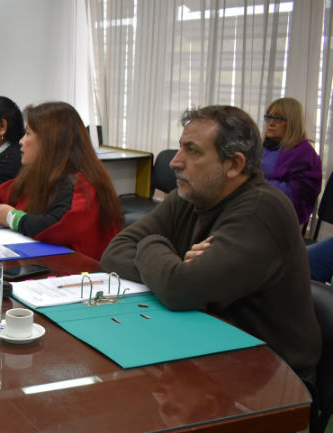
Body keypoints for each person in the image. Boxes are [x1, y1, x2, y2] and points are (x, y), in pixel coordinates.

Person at [101, 105, 320, 382]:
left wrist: (153, 246)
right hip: (207, 347)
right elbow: (114, 253)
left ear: (234, 165)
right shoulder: (191, 193)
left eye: (192, 151)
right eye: (180, 148)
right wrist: (175, 264)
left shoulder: (261, 209)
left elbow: (179, 288)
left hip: (270, 375)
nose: (175, 162)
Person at [0, 101, 123, 261]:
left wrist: (11, 217)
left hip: (77, 274)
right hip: (43, 264)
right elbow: (1, 191)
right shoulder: (37, 173)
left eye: (28, 134)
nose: (21, 141)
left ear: (50, 141)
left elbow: (56, 226)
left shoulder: (81, 183)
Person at [261, 97, 322, 225]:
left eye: (278, 118)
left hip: (283, 217)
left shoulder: (304, 153)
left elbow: (296, 193)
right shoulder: (260, 146)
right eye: (268, 117)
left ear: (292, 123)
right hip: (255, 207)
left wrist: (253, 184)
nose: (271, 123)